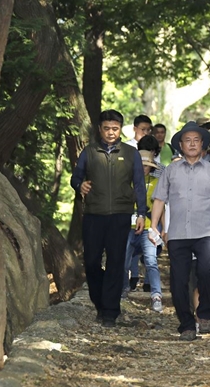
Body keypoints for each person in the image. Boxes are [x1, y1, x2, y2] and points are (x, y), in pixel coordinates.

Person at [149, 121, 210, 341]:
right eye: (188, 140)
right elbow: (159, 200)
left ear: (203, 144)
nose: (192, 144)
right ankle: (186, 324)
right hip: (177, 234)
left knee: (206, 273)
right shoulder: (170, 171)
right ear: (181, 145)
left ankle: (205, 313)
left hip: (207, 232)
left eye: (196, 140)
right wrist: (153, 226)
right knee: (178, 280)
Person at [70, 109, 147, 328]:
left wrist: (141, 213)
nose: (111, 133)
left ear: (120, 129)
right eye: (106, 128)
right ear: (99, 129)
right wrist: (80, 185)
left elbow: (139, 186)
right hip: (94, 214)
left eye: (115, 128)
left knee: (115, 262)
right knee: (92, 262)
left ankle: (110, 312)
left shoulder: (131, 154)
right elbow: (76, 177)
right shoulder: (90, 151)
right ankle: (100, 302)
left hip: (120, 215)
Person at [122, 150, 164, 312]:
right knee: (124, 261)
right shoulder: (127, 182)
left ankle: (156, 294)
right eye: (141, 165)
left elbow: (161, 207)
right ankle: (124, 288)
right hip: (128, 227)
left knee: (151, 261)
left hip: (148, 227)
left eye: (147, 165)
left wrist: (161, 229)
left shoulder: (156, 182)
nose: (144, 168)